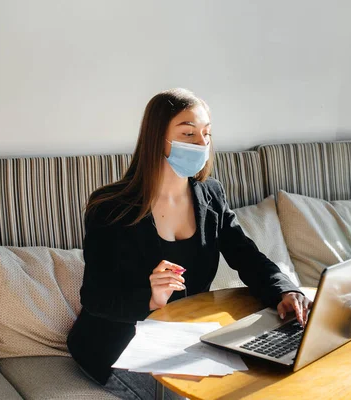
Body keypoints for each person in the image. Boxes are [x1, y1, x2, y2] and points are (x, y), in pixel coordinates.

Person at [67, 88, 311, 399]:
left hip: (182, 336)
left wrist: (285, 290)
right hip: (117, 344)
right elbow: (95, 296)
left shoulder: (210, 194)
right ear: (158, 139)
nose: (201, 144)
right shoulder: (110, 207)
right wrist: (150, 298)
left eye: (206, 134)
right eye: (188, 133)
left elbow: (246, 255)